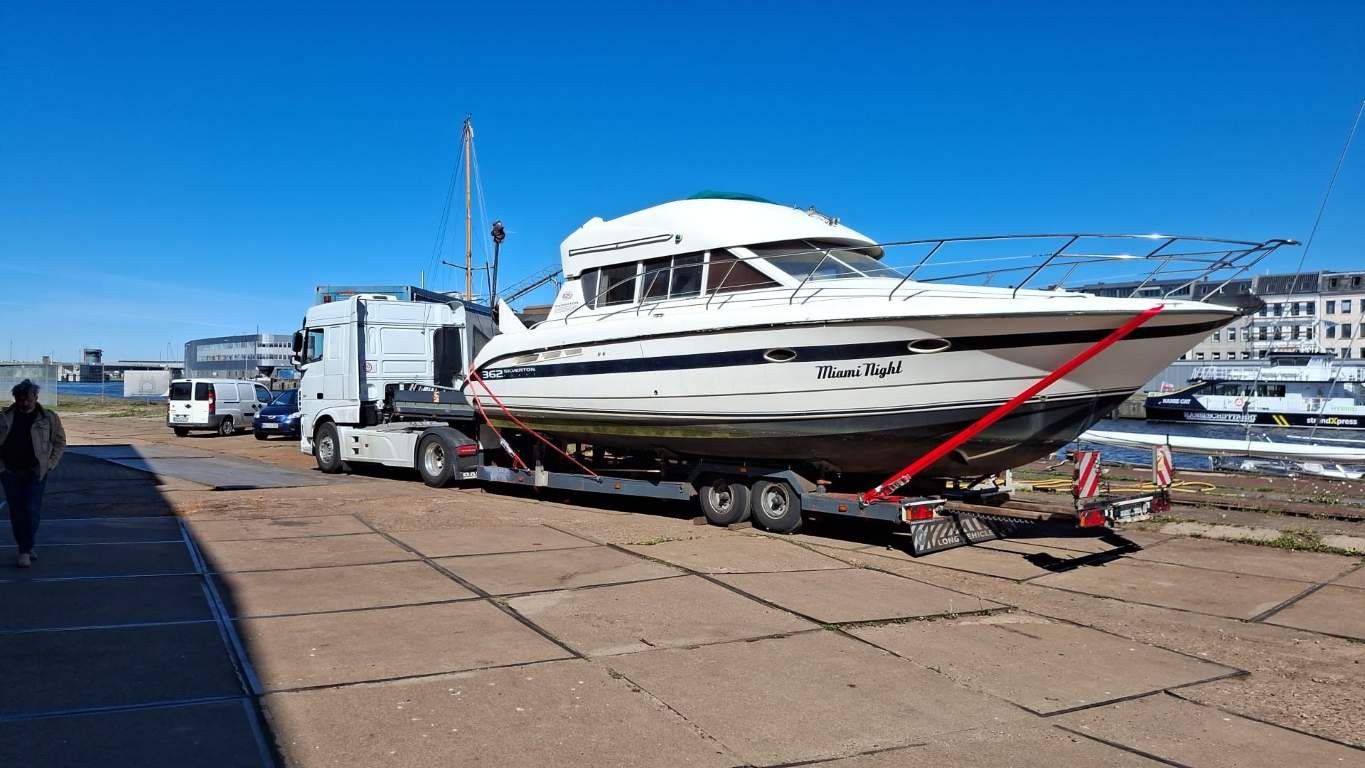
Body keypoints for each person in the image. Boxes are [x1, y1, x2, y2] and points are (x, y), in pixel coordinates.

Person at [0, 379, 66, 567]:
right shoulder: (4, 417)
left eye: (28, 399)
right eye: (20, 399)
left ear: (36, 397)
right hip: (10, 472)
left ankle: (25, 550)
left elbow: (60, 442)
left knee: (31, 509)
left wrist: (50, 464)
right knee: (17, 512)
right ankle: (26, 546)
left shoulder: (48, 418)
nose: (24, 403)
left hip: (36, 472)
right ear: (15, 399)